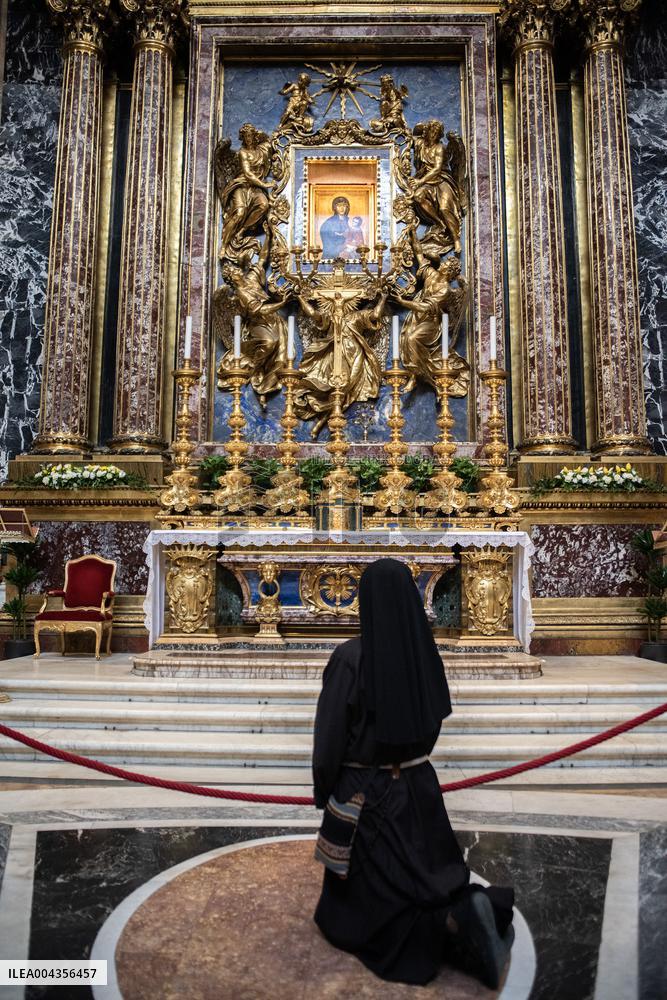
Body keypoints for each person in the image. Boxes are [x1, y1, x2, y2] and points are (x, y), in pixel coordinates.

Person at [312, 558, 515, 988]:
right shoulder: (425, 653)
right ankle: (470, 908)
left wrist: (325, 791)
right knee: (428, 876)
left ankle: (450, 924)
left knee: (369, 910)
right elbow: (436, 717)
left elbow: (329, 739)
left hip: (367, 796)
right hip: (422, 791)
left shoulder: (350, 659)